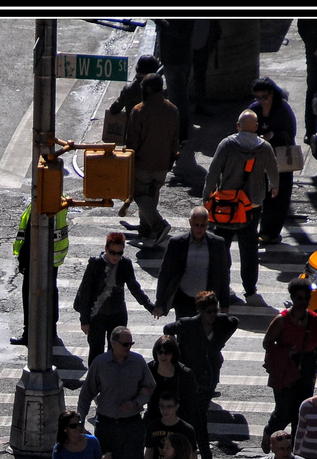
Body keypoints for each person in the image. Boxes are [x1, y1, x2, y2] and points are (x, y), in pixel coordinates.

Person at [80, 327, 155, 459]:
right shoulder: (100, 363)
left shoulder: (137, 362)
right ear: (113, 343)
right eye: (125, 344)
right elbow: (87, 393)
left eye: (131, 344)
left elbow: (151, 386)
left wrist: (137, 402)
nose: (128, 348)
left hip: (132, 424)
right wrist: (80, 422)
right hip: (106, 425)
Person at [201, 110, 278, 304]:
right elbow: (273, 171)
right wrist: (274, 187)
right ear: (257, 127)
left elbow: (213, 172)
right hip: (251, 207)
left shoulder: (227, 144)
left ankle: (223, 286)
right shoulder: (265, 147)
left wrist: (207, 196)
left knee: (222, 246)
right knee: (249, 248)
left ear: (238, 126)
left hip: (226, 205)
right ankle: (250, 289)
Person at [172, 290, 238, 459]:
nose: (213, 315)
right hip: (191, 379)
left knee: (197, 418)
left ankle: (197, 457)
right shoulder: (188, 324)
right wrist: (180, 351)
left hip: (209, 380)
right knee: (196, 419)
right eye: (209, 312)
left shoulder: (222, 323)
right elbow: (168, 330)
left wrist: (220, 343)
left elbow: (234, 322)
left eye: (215, 310)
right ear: (200, 311)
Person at [261, 279, 317, 453]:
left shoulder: (314, 320)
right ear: (293, 298)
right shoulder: (281, 320)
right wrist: (286, 351)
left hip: (307, 368)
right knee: (284, 410)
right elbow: (267, 343)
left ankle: (294, 450)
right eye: (299, 298)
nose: (303, 302)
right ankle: (269, 432)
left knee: (301, 413)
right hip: (286, 368)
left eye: (306, 298)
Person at [73, 232, 155, 362]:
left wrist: (150, 306)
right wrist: (84, 320)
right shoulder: (95, 264)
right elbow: (85, 292)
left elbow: (134, 287)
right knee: (96, 352)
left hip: (116, 314)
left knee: (116, 352)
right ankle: (96, 380)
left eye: (119, 253)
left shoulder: (125, 264)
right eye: (112, 252)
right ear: (106, 249)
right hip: (96, 315)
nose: (116, 257)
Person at [125, 72, 181, 247]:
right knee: (151, 196)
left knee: (139, 194)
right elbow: (175, 139)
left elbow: (132, 141)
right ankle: (146, 230)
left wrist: (128, 160)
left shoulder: (139, 110)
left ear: (147, 89)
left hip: (143, 164)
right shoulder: (172, 109)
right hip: (163, 164)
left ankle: (159, 225)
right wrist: (171, 159)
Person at [154, 208, 233, 321]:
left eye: (203, 225)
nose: (199, 229)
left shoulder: (217, 244)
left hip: (207, 302)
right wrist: (159, 303)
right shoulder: (176, 243)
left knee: (204, 337)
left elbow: (223, 275)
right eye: (196, 225)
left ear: (208, 223)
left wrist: (225, 304)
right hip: (183, 299)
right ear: (190, 222)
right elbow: (165, 273)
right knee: (183, 335)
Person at [11, 202, 68, 348]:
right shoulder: (59, 201)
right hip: (52, 257)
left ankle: (29, 334)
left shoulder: (43, 201)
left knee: (31, 295)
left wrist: (23, 259)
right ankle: (51, 331)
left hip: (38, 258)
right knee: (51, 293)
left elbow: (32, 234)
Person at [249, 78, 298, 245]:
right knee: (260, 194)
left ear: (272, 95)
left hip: (280, 160)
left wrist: (272, 136)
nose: (261, 101)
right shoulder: (254, 110)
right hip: (261, 160)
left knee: (280, 197)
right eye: (258, 97)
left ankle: (271, 232)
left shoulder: (283, 109)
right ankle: (257, 229)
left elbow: (290, 134)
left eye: (265, 97)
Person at [142, 385, 196, 459]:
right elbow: (149, 453)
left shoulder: (186, 430)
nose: (165, 410)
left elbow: (192, 456)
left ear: (177, 406)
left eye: (169, 407)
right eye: (162, 406)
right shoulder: (153, 426)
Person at [145, 337, 200, 434]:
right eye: (159, 352)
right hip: (154, 420)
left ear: (173, 354)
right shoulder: (149, 369)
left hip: (178, 422)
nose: (163, 355)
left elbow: (192, 404)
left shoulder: (185, 374)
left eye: (167, 353)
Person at [153, 18, 195, 143]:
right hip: (177, 58)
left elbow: (177, 31)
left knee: (177, 99)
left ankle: (180, 135)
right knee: (180, 96)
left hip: (175, 59)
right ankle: (181, 131)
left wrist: (158, 20)